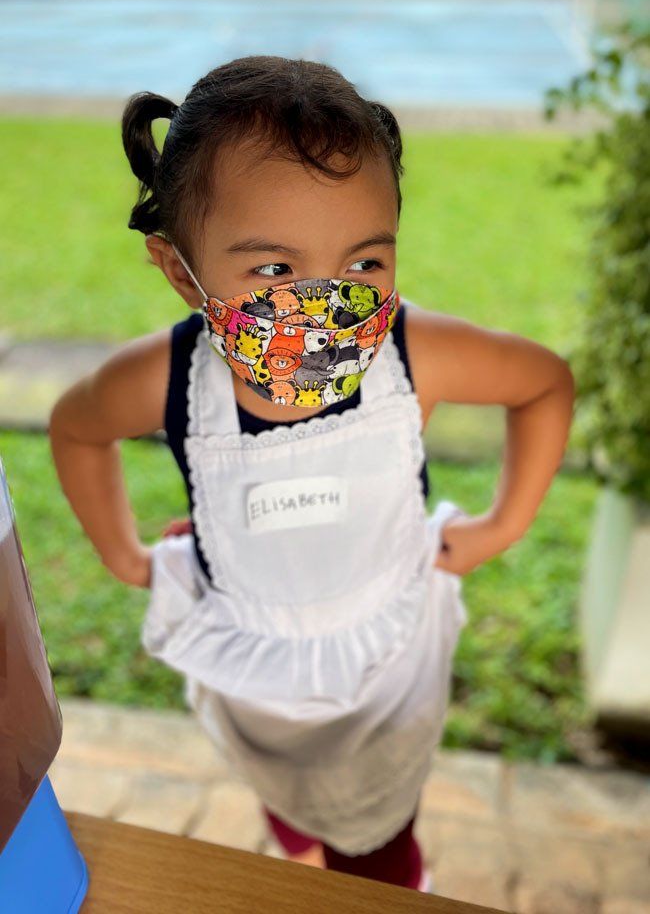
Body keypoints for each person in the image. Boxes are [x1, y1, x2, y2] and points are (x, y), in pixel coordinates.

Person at [48, 55, 575, 892]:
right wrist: (123, 554)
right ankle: (295, 828)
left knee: (373, 848)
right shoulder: (167, 381)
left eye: (365, 264)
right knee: (285, 791)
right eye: (274, 271)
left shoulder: (416, 356)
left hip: (383, 674)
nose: (327, 306)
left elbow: (543, 381)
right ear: (181, 270)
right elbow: (76, 428)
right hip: (255, 675)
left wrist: (502, 526)